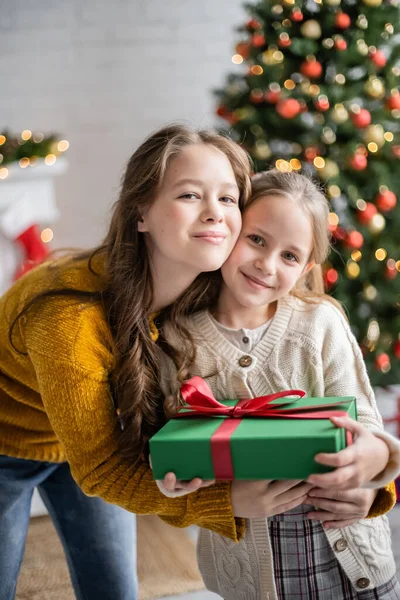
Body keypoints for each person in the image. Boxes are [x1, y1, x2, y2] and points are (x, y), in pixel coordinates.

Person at [0, 123, 264, 600]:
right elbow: (104, 470)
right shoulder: (69, 320)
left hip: (89, 436)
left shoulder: (209, 291)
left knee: (115, 591)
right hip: (7, 439)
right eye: (189, 195)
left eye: (228, 199)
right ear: (141, 213)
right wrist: (227, 500)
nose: (215, 214)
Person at [156, 169, 400, 599]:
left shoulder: (320, 324)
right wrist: (182, 486)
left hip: (353, 562)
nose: (266, 265)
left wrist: (371, 484)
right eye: (256, 240)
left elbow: (368, 427)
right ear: (229, 232)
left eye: (289, 256)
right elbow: (169, 456)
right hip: (252, 578)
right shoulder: (178, 339)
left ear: (306, 267)